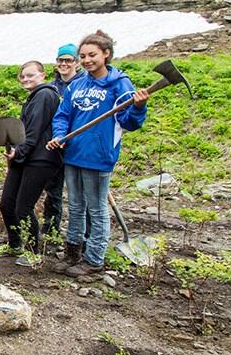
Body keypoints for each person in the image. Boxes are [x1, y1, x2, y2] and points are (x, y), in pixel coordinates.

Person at [47, 30, 150, 277]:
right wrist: (60, 135)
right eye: (82, 56)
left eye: (91, 55)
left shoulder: (120, 84)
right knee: (75, 206)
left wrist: (139, 106)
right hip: (73, 152)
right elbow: (63, 115)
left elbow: (128, 122)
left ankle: (94, 259)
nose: (86, 60)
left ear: (106, 54)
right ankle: (73, 253)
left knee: (96, 208)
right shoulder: (77, 85)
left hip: (99, 156)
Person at [0, 61, 63, 267]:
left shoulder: (45, 95)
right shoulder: (34, 97)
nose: (26, 79)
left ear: (43, 75)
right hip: (25, 157)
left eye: (30, 75)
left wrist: (19, 151)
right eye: (22, 76)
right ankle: (15, 244)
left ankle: (33, 251)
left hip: (42, 159)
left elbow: (34, 130)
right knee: (7, 203)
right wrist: (17, 153)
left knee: (23, 207)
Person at [41, 43, 86, 239]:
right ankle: (51, 229)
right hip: (55, 144)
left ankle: (85, 234)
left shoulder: (85, 84)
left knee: (81, 194)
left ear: (76, 62)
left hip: (78, 145)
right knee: (53, 190)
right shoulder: (51, 87)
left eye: (68, 60)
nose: (64, 64)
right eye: (60, 60)